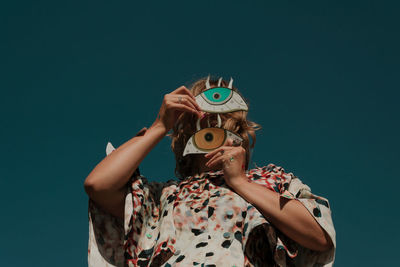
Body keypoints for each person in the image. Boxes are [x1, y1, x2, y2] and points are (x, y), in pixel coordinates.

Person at [84, 77, 336, 267]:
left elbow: (318, 236)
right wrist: (159, 126)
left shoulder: (271, 179)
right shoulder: (165, 196)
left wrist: (240, 183)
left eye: (220, 112)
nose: (210, 120)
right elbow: (98, 185)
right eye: (198, 113)